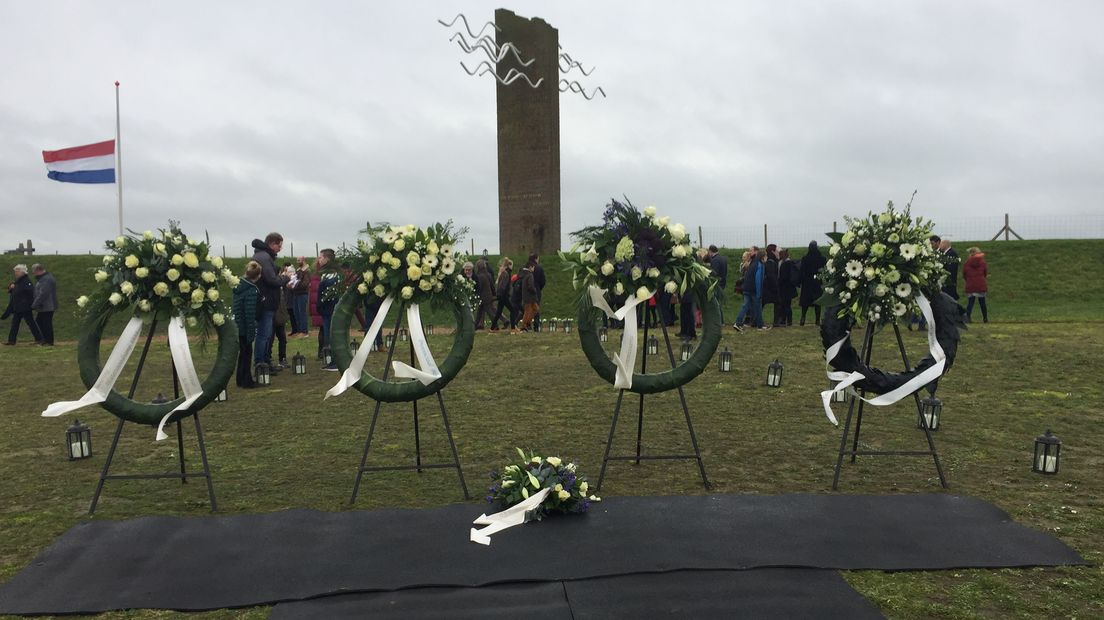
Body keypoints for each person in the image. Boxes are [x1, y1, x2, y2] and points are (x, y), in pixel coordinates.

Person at [250, 233, 289, 372]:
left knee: (266, 334)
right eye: (279, 245)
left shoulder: (261, 256)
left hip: (264, 300)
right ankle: (261, 363)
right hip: (266, 302)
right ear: (273, 244)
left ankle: (265, 361)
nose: (280, 248)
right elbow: (272, 280)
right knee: (263, 334)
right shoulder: (265, 257)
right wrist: (285, 278)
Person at [232, 261, 262, 388]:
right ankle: (246, 380)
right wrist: (251, 331)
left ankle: (240, 378)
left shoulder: (239, 286)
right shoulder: (251, 290)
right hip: (245, 326)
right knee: (247, 354)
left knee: (242, 353)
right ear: (258, 275)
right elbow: (249, 312)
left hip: (238, 324)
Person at [3, 264, 42, 345]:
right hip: (18, 307)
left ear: (22, 272)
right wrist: (11, 289)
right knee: (15, 324)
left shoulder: (26, 281)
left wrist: (28, 304)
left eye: (17, 272)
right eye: (15, 272)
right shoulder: (18, 281)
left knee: (31, 323)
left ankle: (39, 339)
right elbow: (16, 291)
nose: (15, 273)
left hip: (25, 307)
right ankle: (11, 341)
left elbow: (30, 293)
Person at [316, 249, 340, 370]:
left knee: (331, 335)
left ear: (327, 259)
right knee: (328, 335)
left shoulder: (331, 275)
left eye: (321, 257)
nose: (318, 260)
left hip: (329, 310)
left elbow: (328, 295)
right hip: (327, 310)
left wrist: (320, 306)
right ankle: (334, 360)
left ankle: (336, 361)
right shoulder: (326, 273)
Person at [733, 250, 767, 331]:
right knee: (758, 306)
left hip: (746, 288)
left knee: (745, 306)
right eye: (766, 256)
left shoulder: (752, 263)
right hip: (754, 289)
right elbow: (758, 280)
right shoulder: (760, 265)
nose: (767, 258)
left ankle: (737, 323)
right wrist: (759, 293)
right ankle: (760, 325)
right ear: (763, 257)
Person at [798, 241, 826, 326]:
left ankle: (803, 318)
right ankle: (817, 320)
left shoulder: (805, 258)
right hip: (817, 282)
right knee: (817, 302)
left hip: (807, 282)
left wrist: (801, 280)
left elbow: (802, 270)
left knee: (805, 302)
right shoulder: (822, 258)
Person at [31, 263, 58, 345]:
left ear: (38, 270)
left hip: (47, 306)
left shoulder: (46, 279)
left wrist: (34, 304)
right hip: (44, 306)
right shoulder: (44, 278)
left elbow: (43, 294)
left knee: (46, 323)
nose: (33, 274)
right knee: (40, 321)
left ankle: (49, 341)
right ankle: (45, 340)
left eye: (34, 272)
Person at [962, 246, 989, 323]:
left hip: (970, 284)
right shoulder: (982, 262)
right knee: (982, 302)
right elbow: (985, 273)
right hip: (981, 284)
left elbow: (964, 274)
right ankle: (985, 318)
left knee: (970, 302)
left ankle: (968, 317)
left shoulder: (967, 263)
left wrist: (968, 280)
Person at [490, 257, 515, 331]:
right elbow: (503, 286)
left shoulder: (503, 274)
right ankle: (513, 328)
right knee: (512, 310)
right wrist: (502, 294)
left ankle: (492, 328)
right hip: (504, 296)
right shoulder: (506, 274)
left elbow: (499, 285)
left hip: (501, 296)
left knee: (498, 313)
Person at [516, 258, 540, 332]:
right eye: (533, 267)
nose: (533, 269)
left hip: (527, 296)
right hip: (530, 296)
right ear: (530, 267)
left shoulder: (523, 274)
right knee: (528, 311)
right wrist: (534, 290)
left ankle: (527, 323)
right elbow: (530, 286)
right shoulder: (530, 275)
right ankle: (524, 325)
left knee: (535, 309)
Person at [776, 249, 798, 327]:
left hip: (784, 288)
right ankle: (788, 321)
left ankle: (785, 320)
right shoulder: (790, 263)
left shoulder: (784, 264)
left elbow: (782, 277)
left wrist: (778, 283)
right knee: (787, 305)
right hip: (790, 288)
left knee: (784, 305)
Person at [290, 257, 311, 337]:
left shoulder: (307, 271)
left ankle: (304, 331)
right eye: (297, 260)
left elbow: (305, 283)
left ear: (303, 260)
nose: (297, 262)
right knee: (296, 313)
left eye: (299, 260)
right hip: (296, 294)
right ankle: (299, 330)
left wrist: (295, 286)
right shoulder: (298, 270)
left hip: (302, 294)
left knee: (302, 313)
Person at [706, 245, 728, 324]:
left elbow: (714, 273)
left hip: (716, 284)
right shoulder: (723, 259)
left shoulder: (715, 260)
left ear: (711, 251)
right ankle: (721, 321)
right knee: (718, 302)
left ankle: (720, 321)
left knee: (716, 303)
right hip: (723, 283)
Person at [474, 259, 496, 330]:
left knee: (489, 312)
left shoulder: (479, 276)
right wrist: (494, 294)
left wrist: (476, 294)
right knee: (480, 312)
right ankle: (475, 326)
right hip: (488, 295)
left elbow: (479, 287)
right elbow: (492, 285)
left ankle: (495, 326)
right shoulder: (488, 274)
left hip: (483, 297)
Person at [762, 244, 781, 326]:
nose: (778, 252)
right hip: (771, 288)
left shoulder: (770, 261)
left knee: (762, 303)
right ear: (773, 252)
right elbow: (771, 276)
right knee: (777, 303)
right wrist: (775, 286)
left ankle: (755, 320)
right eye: (777, 251)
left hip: (767, 287)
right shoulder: (771, 262)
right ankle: (776, 322)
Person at [530, 254, 546, 332]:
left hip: (527, 290)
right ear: (536, 259)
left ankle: (527, 325)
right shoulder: (539, 268)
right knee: (536, 308)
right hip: (537, 289)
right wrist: (539, 288)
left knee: (527, 308)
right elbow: (543, 281)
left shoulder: (526, 267)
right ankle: (536, 326)